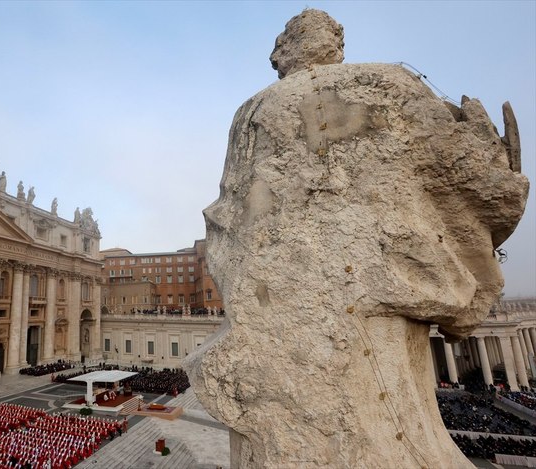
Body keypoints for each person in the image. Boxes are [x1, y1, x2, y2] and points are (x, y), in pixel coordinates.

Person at [184, 8, 529, 469]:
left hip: (311, 292)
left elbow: (227, 213)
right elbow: (468, 177)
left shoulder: (263, 109)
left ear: (282, 53)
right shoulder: (388, 84)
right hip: (344, 286)